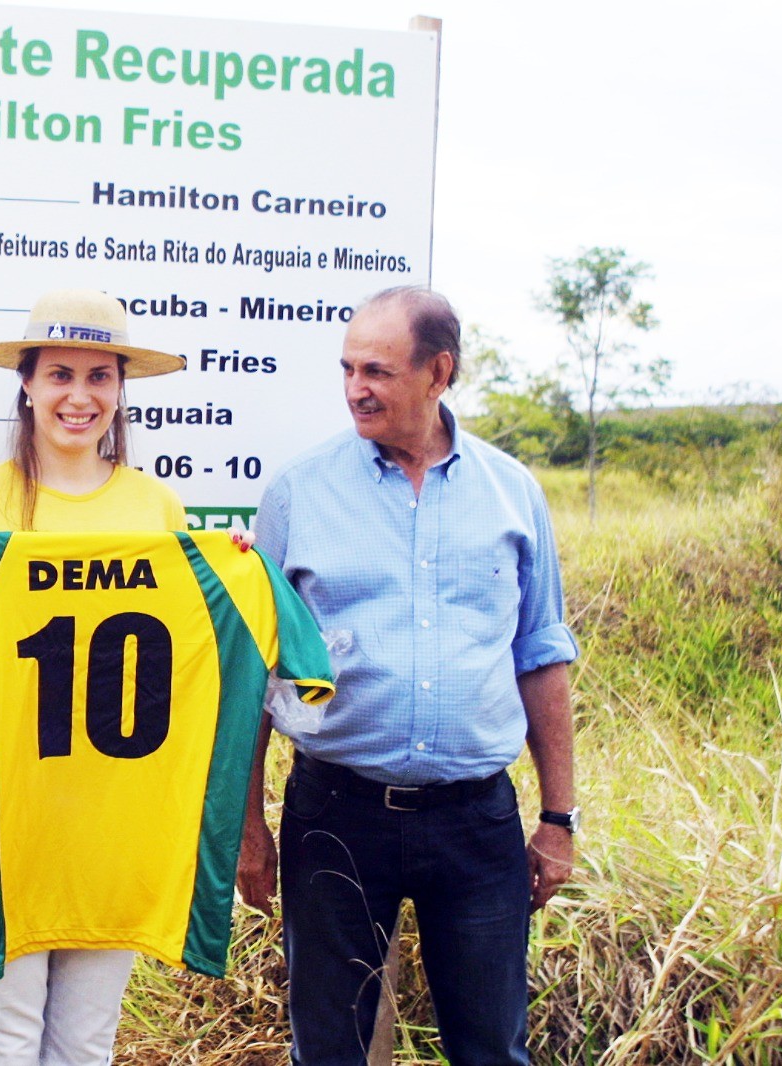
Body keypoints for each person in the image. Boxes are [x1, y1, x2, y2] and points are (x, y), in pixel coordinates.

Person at [236, 286, 579, 1065]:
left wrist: (559, 818)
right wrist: (247, 819)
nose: (357, 388)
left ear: (439, 372)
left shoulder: (513, 493)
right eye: (349, 369)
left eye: (379, 371)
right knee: (328, 1049)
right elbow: (257, 667)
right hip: (335, 813)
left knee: (491, 1047)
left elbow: (541, 655)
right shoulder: (299, 493)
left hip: (476, 823)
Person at [0, 288, 189, 1065]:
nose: (79, 396)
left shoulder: (160, 512)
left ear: (122, 388)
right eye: (59, 374)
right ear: (26, 382)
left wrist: (238, 569)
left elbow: (192, 665)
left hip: (112, 820)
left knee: (86, 1045)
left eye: (99, 376)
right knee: (1, 1038)